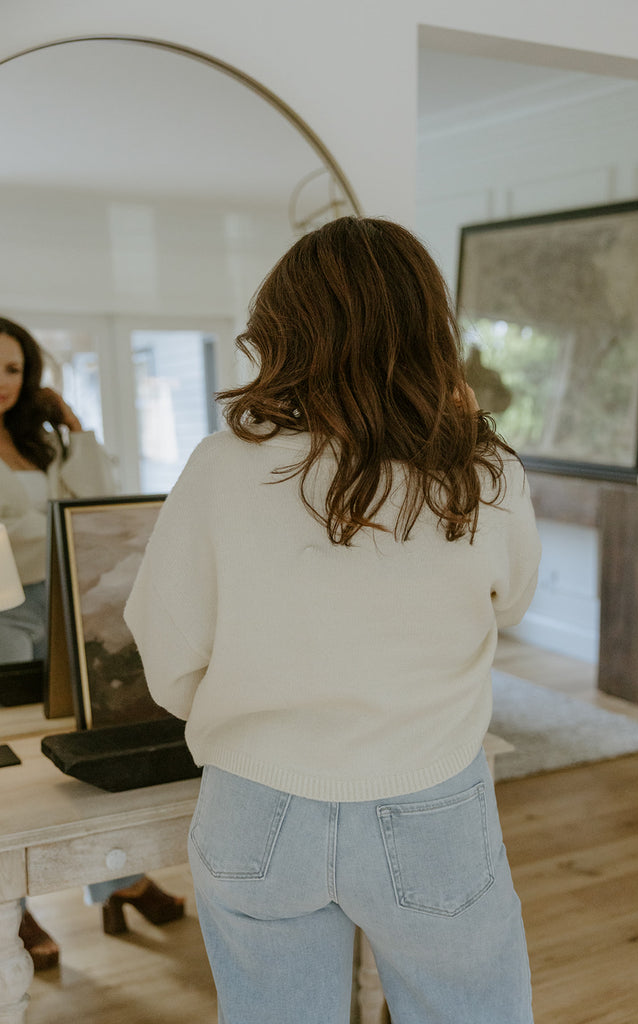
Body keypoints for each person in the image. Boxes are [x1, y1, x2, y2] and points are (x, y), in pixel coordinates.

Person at [124, 217, 542, 1024]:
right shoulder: (481, 472)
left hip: (254, 803)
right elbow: (512, 602)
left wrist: (257, 707)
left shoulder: (222, 466)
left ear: (286, 329)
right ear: (429, 330)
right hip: (428, 796)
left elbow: (169, 652)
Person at [0, 316, 184, 970]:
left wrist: (73, 427)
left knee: (91, 740)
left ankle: (119, 880)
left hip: (64, 605)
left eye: (14, 369)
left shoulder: (42, 442)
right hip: (4, 612)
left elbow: (96, 498)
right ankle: (12, 909)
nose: (2, 381)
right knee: (13, 773)